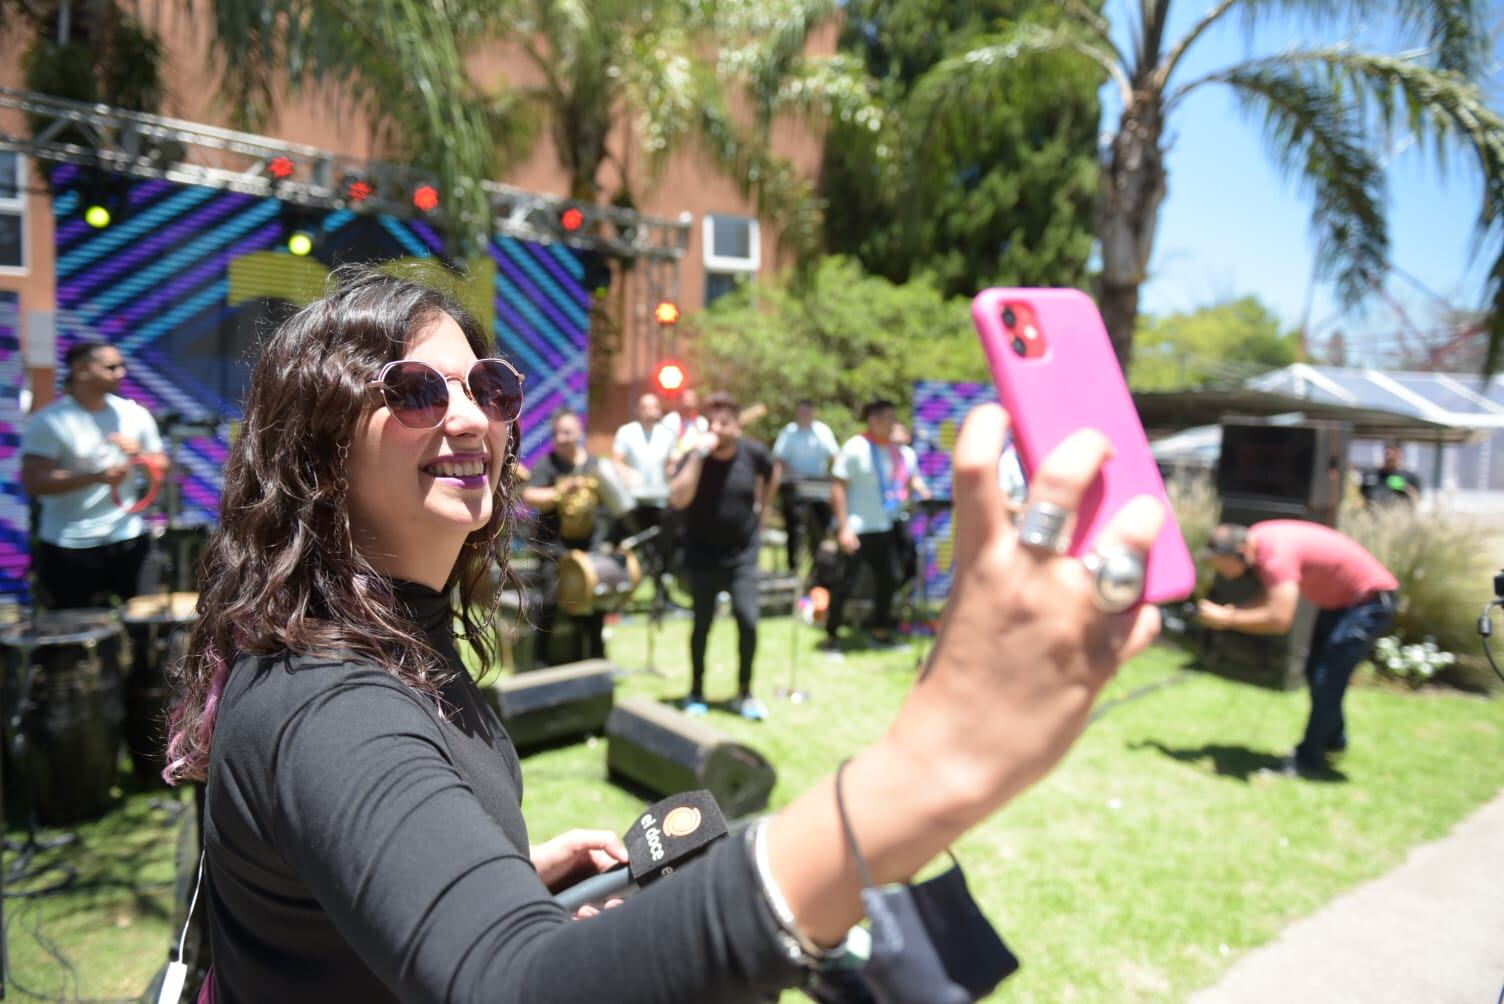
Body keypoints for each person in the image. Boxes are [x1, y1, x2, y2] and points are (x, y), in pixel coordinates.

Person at [164, 269, 1164, 1003]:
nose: (469, 416)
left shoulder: (391, 635)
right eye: (418, 391)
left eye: (489, 387)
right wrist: (925, 768)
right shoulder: (325, 698)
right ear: (318, 441)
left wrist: (493, 870)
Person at [1198, 521, 1398, 777]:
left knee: (1326, 680)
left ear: (1241, 550)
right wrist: (1232, 613)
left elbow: (1280, 618)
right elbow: (1271, 595)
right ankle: (1333, 740)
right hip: (1339, 605)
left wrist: (1227, 620)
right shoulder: (1260, 540)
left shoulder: (1274, 554)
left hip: (1368, 603)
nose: (1226, 574)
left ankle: (1308, 759)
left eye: (1224, 565)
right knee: (1317, 674)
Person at [20, 341, 167, 609]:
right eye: (111, 367)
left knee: (143, 626)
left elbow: (161, 466)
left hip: (128, 537)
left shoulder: (134, 414)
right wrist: (94, 477)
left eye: (123, 366)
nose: (121, 373)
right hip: (69, 543)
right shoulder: (50, 420)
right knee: (72, 633)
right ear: (81, 370)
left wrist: (141, 457)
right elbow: (34, 481)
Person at [668, 392, 778, 720]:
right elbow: (677, 499)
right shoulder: (695, 455)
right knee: (702, 624)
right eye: (711, 422)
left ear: (736, 429)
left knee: (748, 620)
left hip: (742, 553)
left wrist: (764, 510)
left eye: (723, 423)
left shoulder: (754, 454)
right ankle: (696, 690)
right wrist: (698, 456)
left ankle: (745, 692)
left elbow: (774, 474)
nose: (716, 428)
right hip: (702, 553)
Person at [521, 408, 608, 664]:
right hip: (554, 547)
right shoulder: (547, 464)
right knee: (548, 602)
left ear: (579, 432)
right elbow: (529, 496)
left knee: (594, 600)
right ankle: (541, 660)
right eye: (557, 433)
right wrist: (561, 490)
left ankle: (595, 657)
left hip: (590, 546)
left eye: (567, 432)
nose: (562, 438)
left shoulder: (594, 464)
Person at [824, 400, 908, 650]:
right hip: (856, 527)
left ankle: (880, 632)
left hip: (884, 526)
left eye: (894, 418)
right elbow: (838, 488)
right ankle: (832, 637)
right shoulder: (855, 447)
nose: (893, 424)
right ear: (873, 420)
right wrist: (843, 527)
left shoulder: (893, 450)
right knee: (844, 582)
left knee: (890, 579)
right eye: (888, 418)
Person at [771, 399, 839, 572]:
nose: (803, 416)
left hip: (818, 488)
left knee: (819, 530)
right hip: (793, 486)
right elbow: (779, 459)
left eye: (807, 412)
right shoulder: (788, 432)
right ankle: (792, 567)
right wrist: (794, 475)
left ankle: (817, 570)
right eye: (800, 412)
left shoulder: (822, 431)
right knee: (793, 529)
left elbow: (835, 456)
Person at [890, 421, 933, 590]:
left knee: (909, 556)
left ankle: (900, 593)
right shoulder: (883, 452)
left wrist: (924, 491)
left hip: (901, 510)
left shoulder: (909, 455)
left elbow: (913, 478)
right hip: (883, 512)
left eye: (900, 431)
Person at [1360, 441, 1422, 507]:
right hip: (1371, 514)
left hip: (1396, 515)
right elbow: (1361, 494)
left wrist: (1405, 487)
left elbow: (1417, 498)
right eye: (1386, 454)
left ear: (1399, 454)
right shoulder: (1372, 474)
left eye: (1391, 454)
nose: (1388, 458)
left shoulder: (1410, 477)